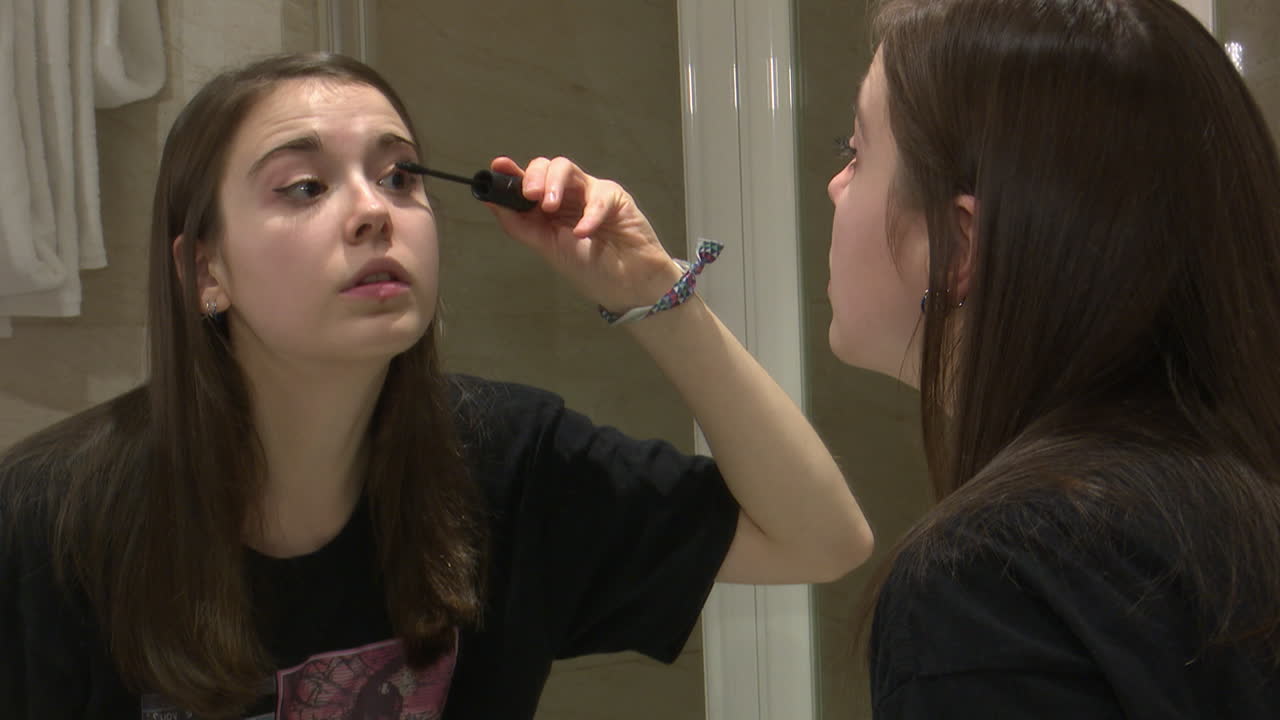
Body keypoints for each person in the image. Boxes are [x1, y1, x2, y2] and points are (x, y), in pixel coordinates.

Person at [0, 53, 873, 719]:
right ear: (205, 272)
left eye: (400, 176)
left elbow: (820, 540)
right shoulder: (51, 517)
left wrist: (653, 291)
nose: (372, 210)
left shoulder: (507, 463)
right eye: (303, 187)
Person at [824, 0, 1280, 716]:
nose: (834, 185)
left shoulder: (997, 586)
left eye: (856, 154)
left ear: (958, 244)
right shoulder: (1235, 498)